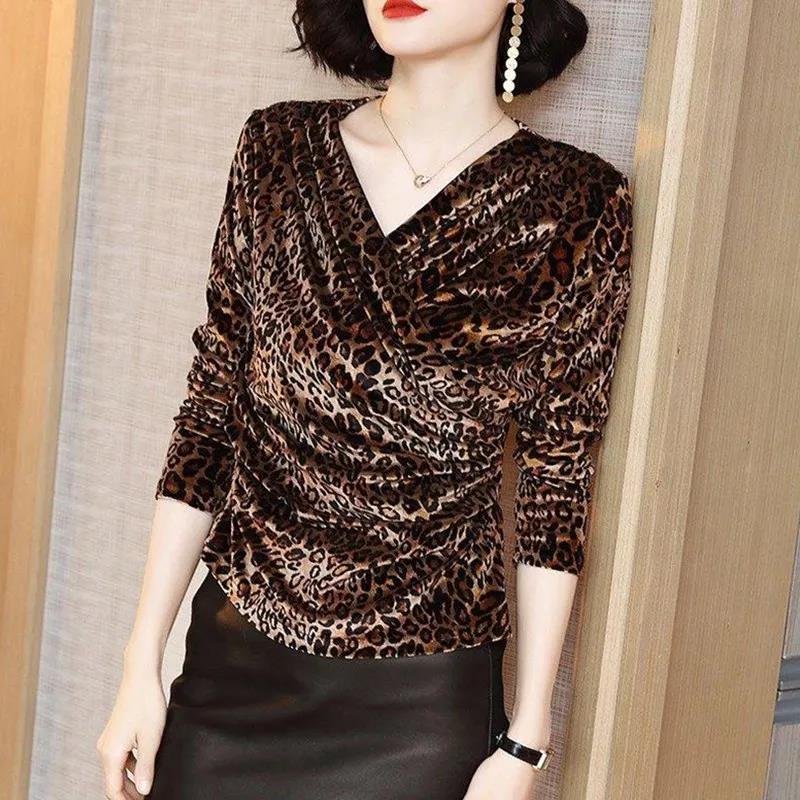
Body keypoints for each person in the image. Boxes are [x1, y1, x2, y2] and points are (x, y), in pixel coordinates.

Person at [96, 0, 634, 798]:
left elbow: (558, 480)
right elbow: (211, 411)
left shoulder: (577, 205)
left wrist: (526, 739)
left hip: (419, 707)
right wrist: (140, 663)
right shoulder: (278, 150)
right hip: (234, 666)